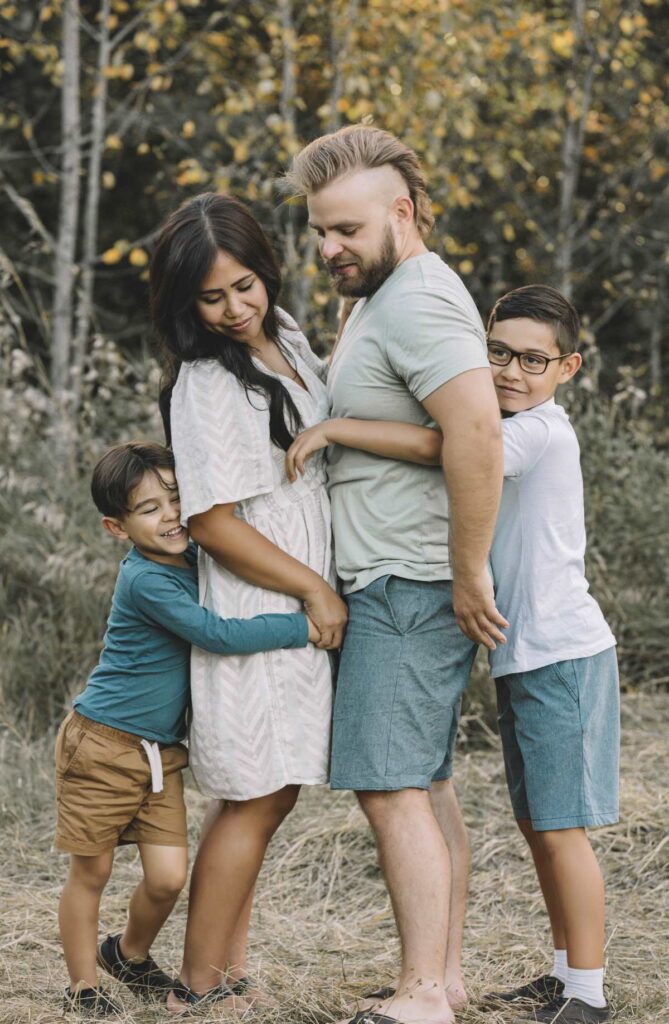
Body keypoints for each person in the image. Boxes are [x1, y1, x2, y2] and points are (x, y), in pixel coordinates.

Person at [151, 193, 444, 1013]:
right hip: (263, 595)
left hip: (304, 589)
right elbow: (210, 520)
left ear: (266, 271)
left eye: (244, 285)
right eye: (211, 298)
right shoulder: (206, 380)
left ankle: (227, 969)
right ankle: (198, 986)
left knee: (264, 791)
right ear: (185, 303)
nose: (234, 309)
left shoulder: (282, 334)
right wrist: (314, 589)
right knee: (258, 793)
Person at [283, 125, 507, 1024]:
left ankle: (420, 995)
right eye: (319, 232)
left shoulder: (417, 300)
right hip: (396, 578)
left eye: (346, 229)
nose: (329, 248)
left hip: (407, 581)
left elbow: (477, 433)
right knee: (422, 780)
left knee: (388, 785)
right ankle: (440, 978)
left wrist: (466, 571)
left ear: (400, 213)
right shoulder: (381, 299)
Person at [55, 441, 317, 1018]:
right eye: (149, 508)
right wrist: (304, 626)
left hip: (158, 753)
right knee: (93, 871)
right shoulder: (146, 581)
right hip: (102, 744)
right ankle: (82, 987)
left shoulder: (196, 553)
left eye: (176, 498)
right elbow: (215, 634)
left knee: (168, 878)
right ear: (116, 527)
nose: (171, 515)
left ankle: (126, 953)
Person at [483, 286, 618, 1024]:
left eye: (532, 359)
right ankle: (566, 973)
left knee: (562, 829)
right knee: (539, 827)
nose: (511, 371)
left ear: (567, 367)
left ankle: (588, 997)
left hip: (562, 655)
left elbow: (454, 449)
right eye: (497, 352)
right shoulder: (517, 424)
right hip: (525, 656)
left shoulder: (538, 430)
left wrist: (341, 428)